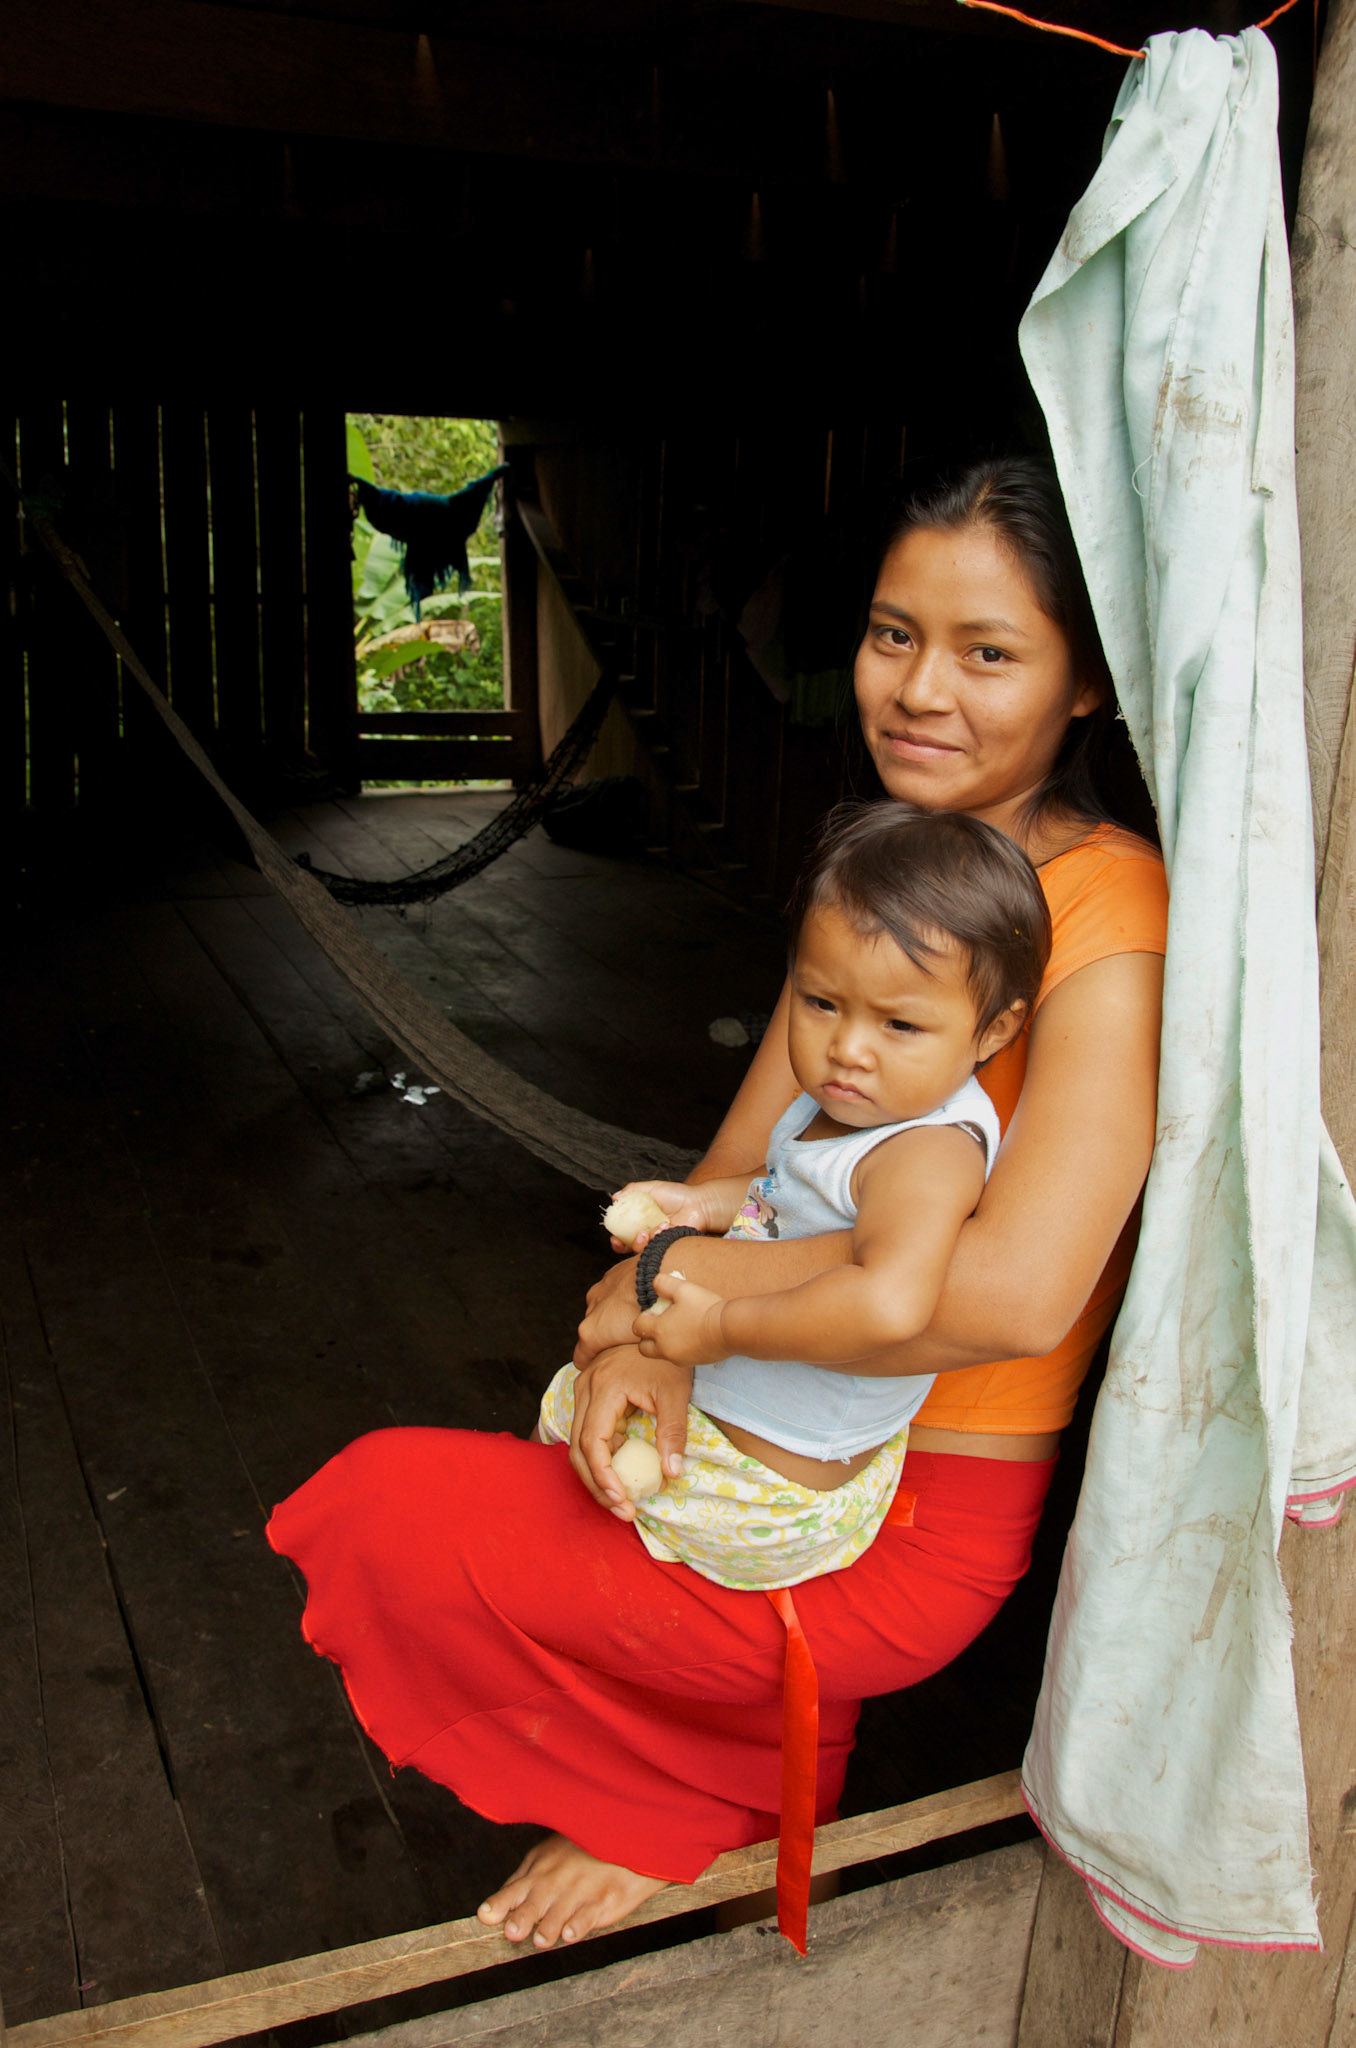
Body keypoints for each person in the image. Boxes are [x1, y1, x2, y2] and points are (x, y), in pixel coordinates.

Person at [266, 456, 1167, 1959]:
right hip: (769, 1432)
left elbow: (1013, 1296)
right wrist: (639, 1327)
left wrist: (691, 1302)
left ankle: (669, 1803)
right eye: (892, 636)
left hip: (912, 1508)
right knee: (564, 1449)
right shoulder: (894, 884)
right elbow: (737, 1174)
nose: (920, 689)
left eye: (988, 652)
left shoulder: (1107, 906)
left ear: (1086, 686)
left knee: (384, 1511)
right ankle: (721, 1776)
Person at [537, 801, 1051, 1600]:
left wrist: (719, 1327)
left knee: (561, 1427)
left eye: (900, 1024)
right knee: (585, 1400)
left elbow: (889, 1302)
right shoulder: (856, 1103)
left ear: (994, 1030)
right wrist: (704, 1202)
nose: (848, 1048)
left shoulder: (924, 1153)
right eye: (820, 1004)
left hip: (762, 1491)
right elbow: (787, 1193)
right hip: (748, 1451)